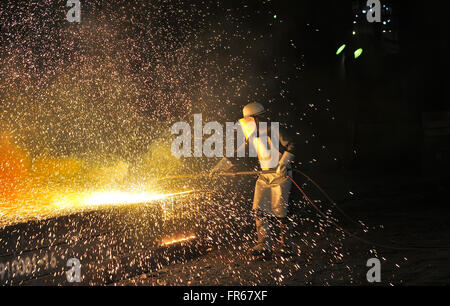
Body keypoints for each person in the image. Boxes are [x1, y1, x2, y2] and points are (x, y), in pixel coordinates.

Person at [210, 102, 296, 258]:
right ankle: (264, 244)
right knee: (258, 210)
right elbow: (239, 152)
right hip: (264, 175)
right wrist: (222, 166)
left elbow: (292, 144)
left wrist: (284, 163)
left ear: (258, 118)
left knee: (280, 211)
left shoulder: (274, 130)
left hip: (281, 176)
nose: (248, 124)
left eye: (250, 120)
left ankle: (286, 245)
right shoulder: (254, 135)